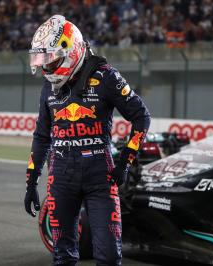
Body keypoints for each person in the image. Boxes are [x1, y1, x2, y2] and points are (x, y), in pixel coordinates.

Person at [24, 15, 151, 266]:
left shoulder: (106, 77)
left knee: (109, 257)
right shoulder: (48, 88)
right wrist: (31, 181)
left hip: (100, 177)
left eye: (52, 60)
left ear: (71, 51)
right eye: (44, 61)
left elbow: (141, 117)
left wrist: (126, 160)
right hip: (60, 176)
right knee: (62, 255)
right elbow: (41, 136)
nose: (47, 69)